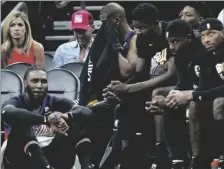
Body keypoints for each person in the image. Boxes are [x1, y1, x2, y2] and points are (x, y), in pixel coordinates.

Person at [78, 3, 138, 168]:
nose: (103, 26)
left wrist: (114, 47)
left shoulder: (133, 39)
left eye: (105, 21)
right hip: (109, 96)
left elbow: (127, 71)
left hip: (129, 98)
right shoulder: (113, 39)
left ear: (116, 19)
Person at [2, 65, 95, 169]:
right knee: (22, 123)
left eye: (43, 81)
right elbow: (7, 112)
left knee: (77, 122)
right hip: (20, 157)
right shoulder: (16, 101)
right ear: (25, 83)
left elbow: (87, 112)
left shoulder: (54, 101)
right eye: (34, 81)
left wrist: (66, 116)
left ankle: (87, 166)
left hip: (51, 153)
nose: (39, 85)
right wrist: (46, 120)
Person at [164, 18, 224, 169]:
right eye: (203, 36)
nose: (207, 40)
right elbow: (204, 86)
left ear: (223, 33)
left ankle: (221, 156)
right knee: (193, 104)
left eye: (212, 34)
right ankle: (194, 160)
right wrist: (180, 95)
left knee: (218, 104)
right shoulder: (207, 56)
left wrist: (191, 94)